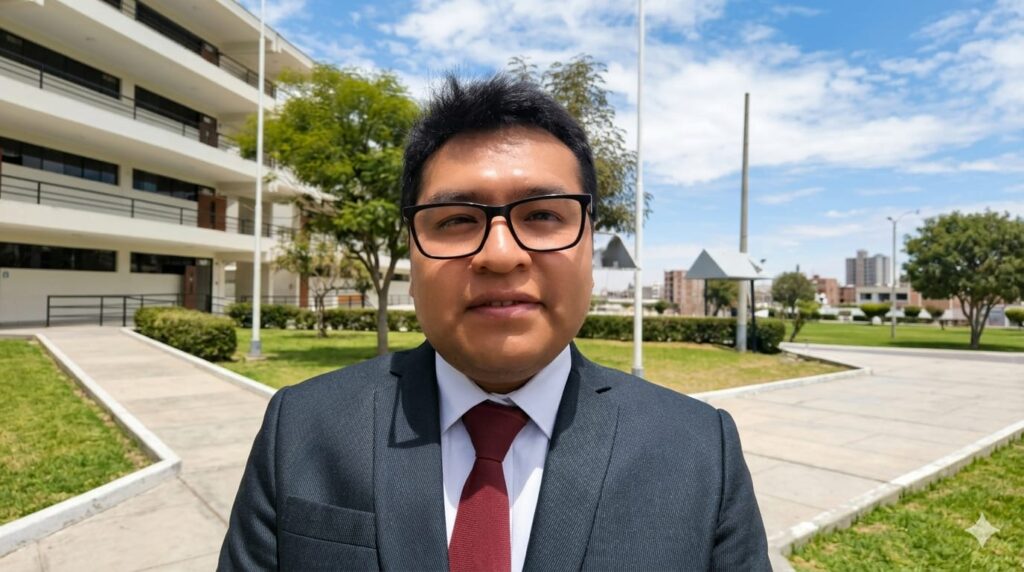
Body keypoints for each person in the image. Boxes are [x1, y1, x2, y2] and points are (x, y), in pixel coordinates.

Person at [218, 74, 770, 571]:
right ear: (411, 251)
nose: (501, 255)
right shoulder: (302, 428)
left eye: (544, 214)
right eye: (457, 219)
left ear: (590, 248)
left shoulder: (700, 450)